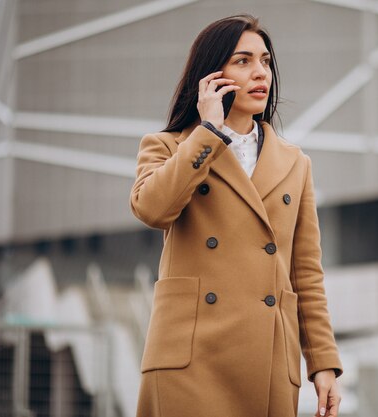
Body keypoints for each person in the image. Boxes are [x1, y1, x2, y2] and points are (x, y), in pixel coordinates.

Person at [130, 14, 343, 417]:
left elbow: (306, 274)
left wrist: (323, 362)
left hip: (267, 360)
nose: (260, 72)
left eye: (265, 61)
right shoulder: (169, 146)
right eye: (243, 61)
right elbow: (152, 209)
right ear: (212, 75)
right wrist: (208, 131)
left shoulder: (295, 164)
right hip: (190, 361)